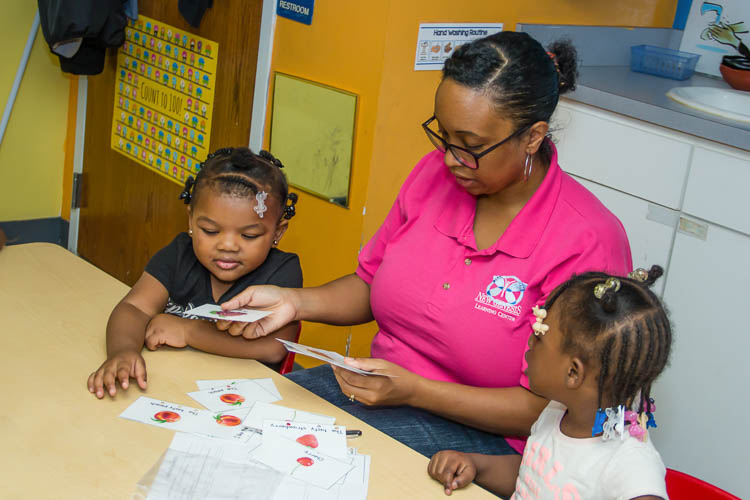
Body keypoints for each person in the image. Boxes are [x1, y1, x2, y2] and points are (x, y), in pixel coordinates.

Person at [219, 31, 633, 458]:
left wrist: (416, 391)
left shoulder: (588, 242)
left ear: (533, 137)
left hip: (487, 446)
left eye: (471, 146)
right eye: (443, 135)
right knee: (235, 427)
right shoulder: (434, 175)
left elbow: (562, 411)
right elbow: (371, 283)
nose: (451, 158)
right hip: (380, 395)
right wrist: (294, 302)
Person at [428, 266, 671, 499]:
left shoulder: (630, 463)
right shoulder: (556, 412)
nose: (530, 343)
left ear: (573, 373)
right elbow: (534, 474)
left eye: (539, 334)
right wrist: (476, 465)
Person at [87, 147, 301, 399]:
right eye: (210, 230)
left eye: (249, 235)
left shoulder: (282, 271)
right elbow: (134, 308)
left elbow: (275, 347)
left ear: (277, 232)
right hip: (170, 388)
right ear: (190, 220)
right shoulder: (180, 254)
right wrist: (122, 351)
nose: (227, 246)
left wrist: (188, 331)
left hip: (239, 400)